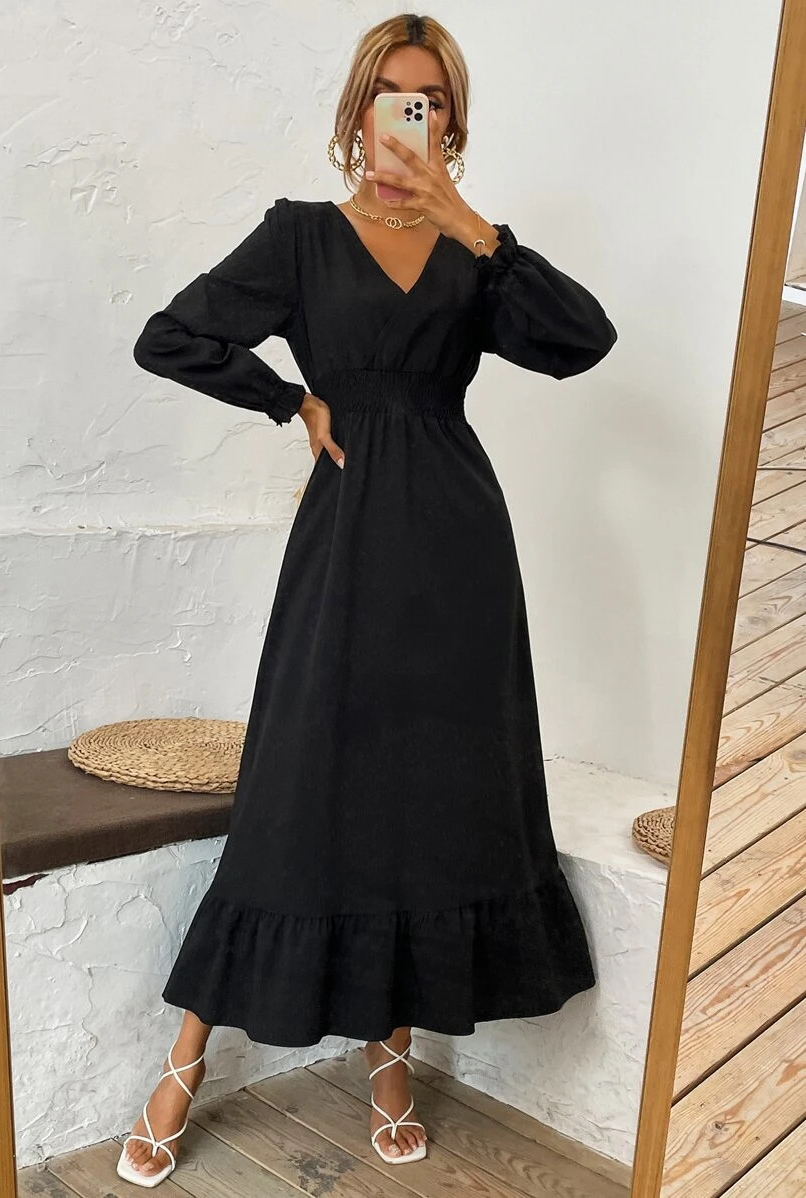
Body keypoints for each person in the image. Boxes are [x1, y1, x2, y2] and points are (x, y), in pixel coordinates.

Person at [118, 10, 618, 1186]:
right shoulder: (299, 237)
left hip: (460, 550)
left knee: (428, 793)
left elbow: (583, 341)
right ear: (358, 111)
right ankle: (185, 1059)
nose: (411, 115)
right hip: (344, 540)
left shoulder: (476, 253)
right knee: (299, 787)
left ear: (452, 120)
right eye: (395, 94)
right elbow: (169, 336)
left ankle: (390, 1059)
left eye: (431, 99)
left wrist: (470, 222)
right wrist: (290, 401)